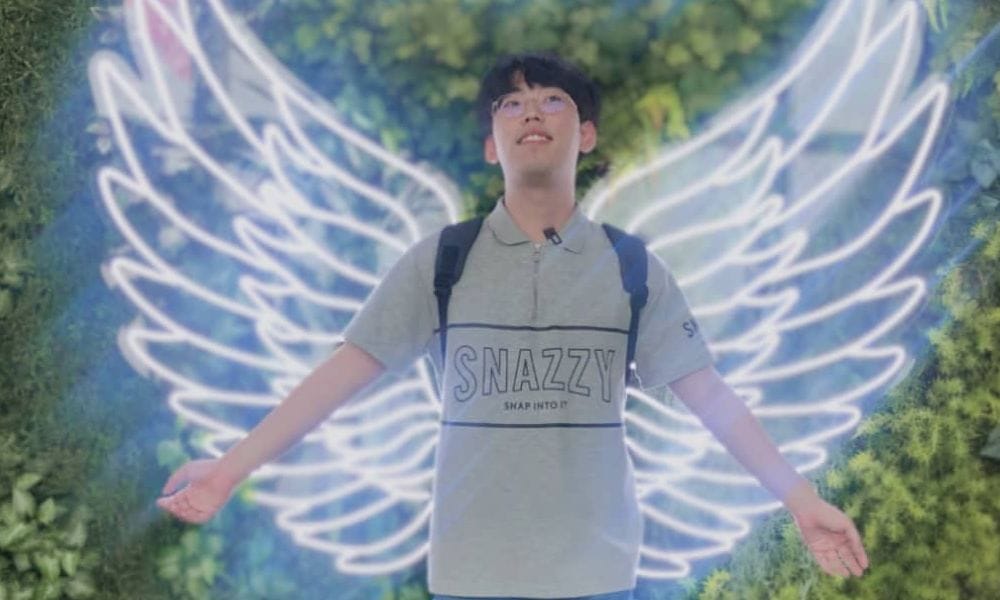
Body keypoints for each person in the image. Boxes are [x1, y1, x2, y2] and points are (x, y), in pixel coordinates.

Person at [157, 52, 870, 599]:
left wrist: (801, 499)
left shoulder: (631, 267)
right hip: (471, 573)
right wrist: (228, 469)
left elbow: (710, 396)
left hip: (597, 575)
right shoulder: (442, 261)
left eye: (552, 99)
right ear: (492, 145)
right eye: (511, 103)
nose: (532, 111)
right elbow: (339, 377)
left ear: (585, 135)